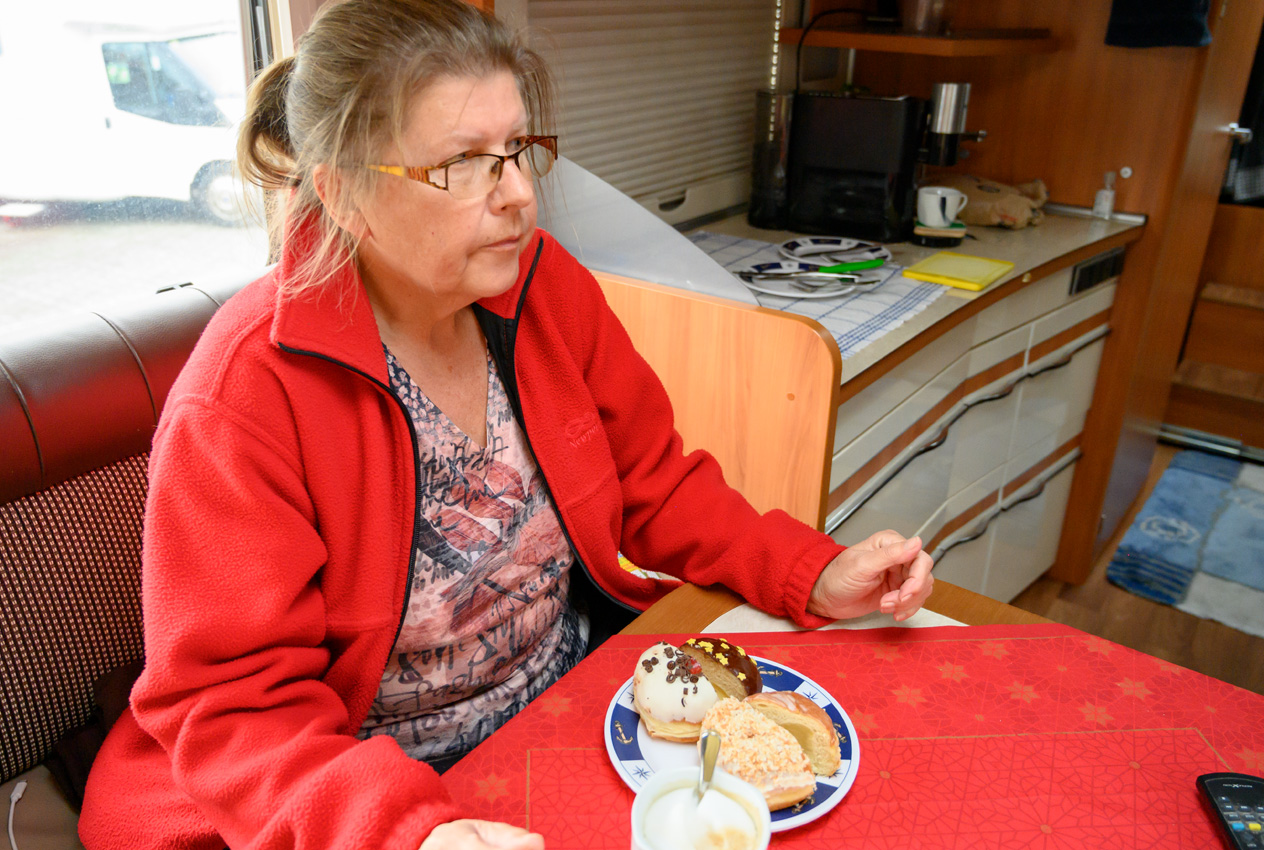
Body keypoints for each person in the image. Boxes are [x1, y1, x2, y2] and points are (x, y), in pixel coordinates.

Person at [78, 1, 934, 848]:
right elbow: (236, 709)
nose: (521, 194)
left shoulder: (543, 286)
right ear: (341, 192)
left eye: (518, 150)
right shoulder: (244, 396)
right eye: (463, 164)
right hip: (372, 797)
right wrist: (411, 835)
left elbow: (654, 483)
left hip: (567, 708)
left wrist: (810, 571)